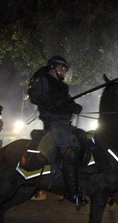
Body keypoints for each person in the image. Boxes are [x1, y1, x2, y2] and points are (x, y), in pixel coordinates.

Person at [27, 55, 88, 206]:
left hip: (65, 122)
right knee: (71, 149)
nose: (64, 72)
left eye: (65, 69)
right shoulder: (42, 79)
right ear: (53, 68)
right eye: (61, 68)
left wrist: (74, 106)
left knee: (84, 138)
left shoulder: (62, 86)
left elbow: (67, 101)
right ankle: (72, 193)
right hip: (52, 121)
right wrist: (52, 100)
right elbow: (34, 97)